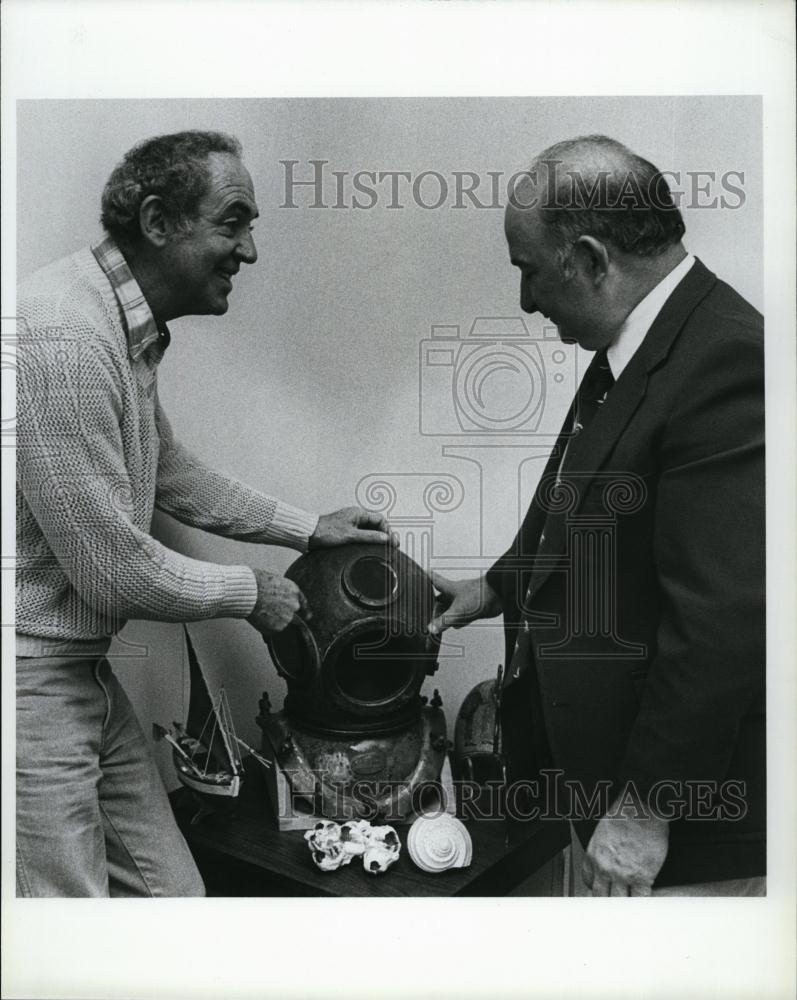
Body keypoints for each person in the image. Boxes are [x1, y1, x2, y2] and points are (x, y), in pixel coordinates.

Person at [16, 130, 394, 897]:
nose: (249, 251)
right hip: (26, 681)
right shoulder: (63, 333)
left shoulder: (120, 326)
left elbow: (170, 472)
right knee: (68, 929)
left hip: (75, 672)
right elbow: (113, 574)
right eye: (233, 222)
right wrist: (254, 594)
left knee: (176, 904)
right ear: (157, 222)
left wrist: (306, 528)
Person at [429, 135, 765, 896]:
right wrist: (496, 585)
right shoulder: (645, 340)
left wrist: (647, 808)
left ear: (587, 258)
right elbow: (584, 502)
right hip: (600, 798)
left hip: (680, 832)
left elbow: (726, 621)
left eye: (528, 271)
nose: (524, 301)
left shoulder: (725, 362)